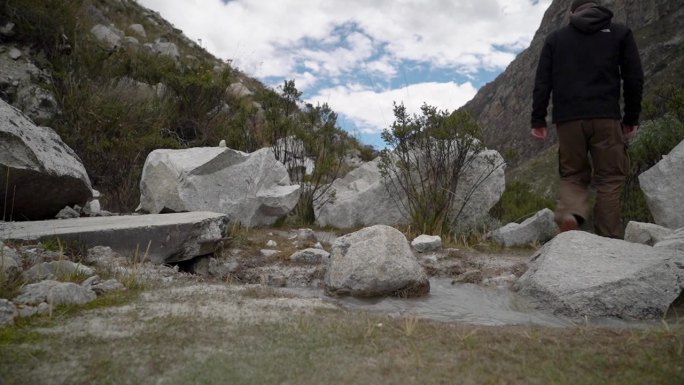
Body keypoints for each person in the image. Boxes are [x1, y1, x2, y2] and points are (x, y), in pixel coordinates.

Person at [530, 0, 643, 238]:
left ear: (572, 13)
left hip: (569, 120)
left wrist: (538, 119)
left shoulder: (556, 39)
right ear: (597, 7)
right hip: (606, 117)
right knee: (610, 178)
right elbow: (634, 77)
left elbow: (542, 82)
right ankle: (609, 238)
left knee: (573, 175)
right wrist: (631, 117)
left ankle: (571, 216)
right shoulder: (620, 33)